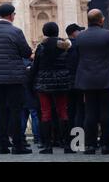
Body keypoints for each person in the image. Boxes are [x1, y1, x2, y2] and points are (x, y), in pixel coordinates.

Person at [0, 3, 33, 155]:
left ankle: (2, 145)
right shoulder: (16, 31)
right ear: (11, 15)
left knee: (0, 112)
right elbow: (26, 52)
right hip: (14, 77)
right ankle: (18, 144)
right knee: (15, 111)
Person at [75, 9, 109, 155]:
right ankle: (107, 145)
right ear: (101, 20)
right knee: (105, 112)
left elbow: (77, 56)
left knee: (90, 112)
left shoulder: (80, 36)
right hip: (106, 78)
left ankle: (89, 145)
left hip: (87, 79)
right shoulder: (107, 34)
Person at [30, 22, 74, 154]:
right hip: (61, 82)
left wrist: (31, 81)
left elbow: (35, 67)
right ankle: (67, 145)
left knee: (45, 113)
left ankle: (47, 145)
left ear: (44, 32)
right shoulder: (65, 46)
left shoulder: (41, 48)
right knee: (63, 112)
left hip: (44, 83)